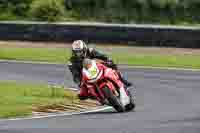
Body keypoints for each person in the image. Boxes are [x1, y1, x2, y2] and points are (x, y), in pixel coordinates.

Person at [68, 40, 132, 88]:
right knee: (82, 92)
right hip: (84, 75)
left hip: (94, 67)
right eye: (76, 52)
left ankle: (122, 80)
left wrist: (108, 60)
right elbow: (75, 74)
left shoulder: (90, 51)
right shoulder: (71, 61)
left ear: (84, 49)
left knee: (111, 64)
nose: (78, 53)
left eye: (80, 51)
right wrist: (79, 83)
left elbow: (102, 56)